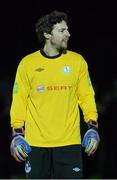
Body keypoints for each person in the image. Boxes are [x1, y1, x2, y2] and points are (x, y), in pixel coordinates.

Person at [10, 10, 100, 179]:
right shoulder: (27, 64)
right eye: (62, 30)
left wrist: (92, 126)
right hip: (35, 144)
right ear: (47, 34)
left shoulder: (77, 61)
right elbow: (19, 100)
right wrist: (17, 133)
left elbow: (86, 96)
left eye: (67, 29)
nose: (68, 34)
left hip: (69, 143)